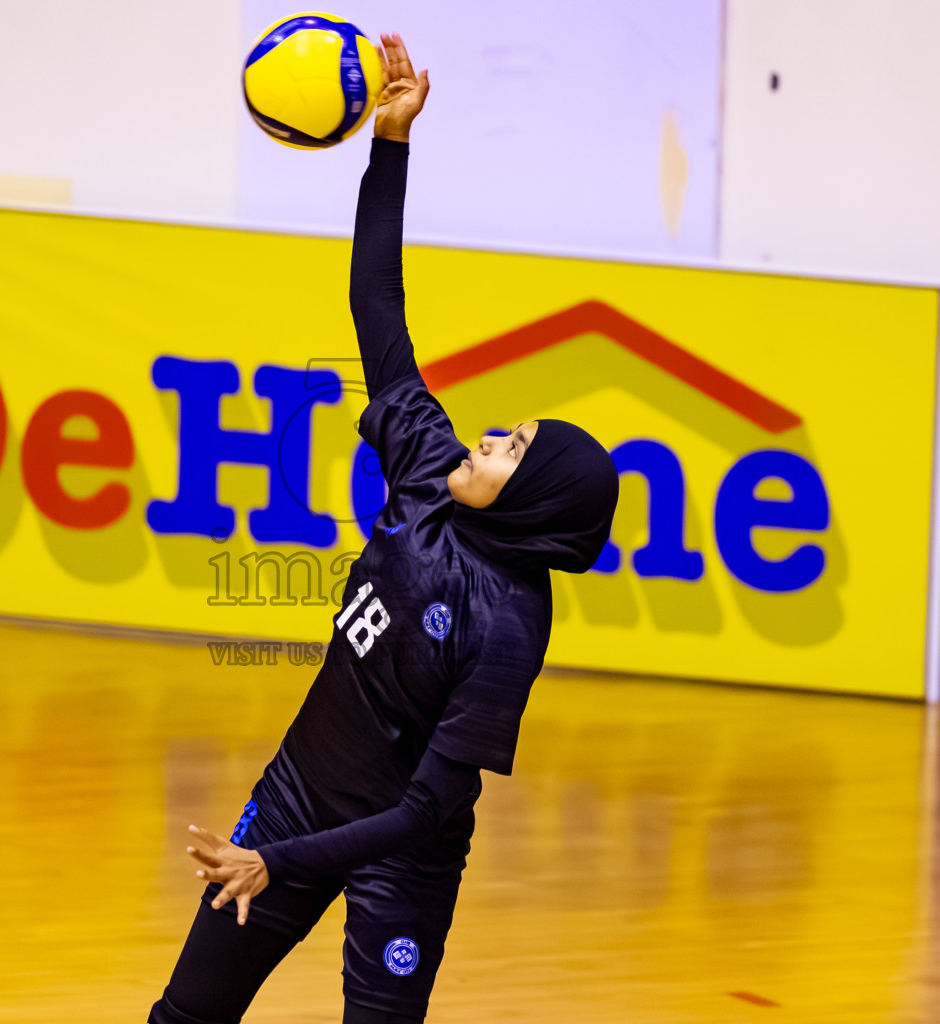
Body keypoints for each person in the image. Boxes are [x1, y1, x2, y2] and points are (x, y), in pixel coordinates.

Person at [148, 34, 619, 1024]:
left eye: (511, 446)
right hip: (293, 794)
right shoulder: (427, 474)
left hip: (399, 859)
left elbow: (420, 809)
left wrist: (275, 863)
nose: (487, 436)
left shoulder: (507, 628)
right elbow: (378, 309)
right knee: (182, 1019)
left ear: (531, 498)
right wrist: (391, 144)